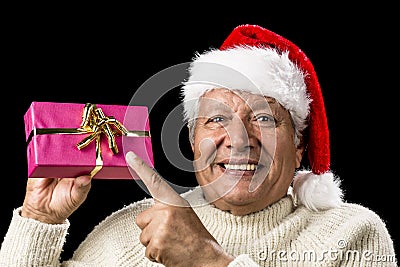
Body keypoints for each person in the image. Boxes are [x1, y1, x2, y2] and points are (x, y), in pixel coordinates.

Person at [0, 24, 397, 266]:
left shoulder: (351, 233)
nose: (239, 139)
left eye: (263, 118)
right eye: (217, 119)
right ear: (192, 142)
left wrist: (207, 261)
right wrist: (40, 219)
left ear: (298, 147)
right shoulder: (136, 228)